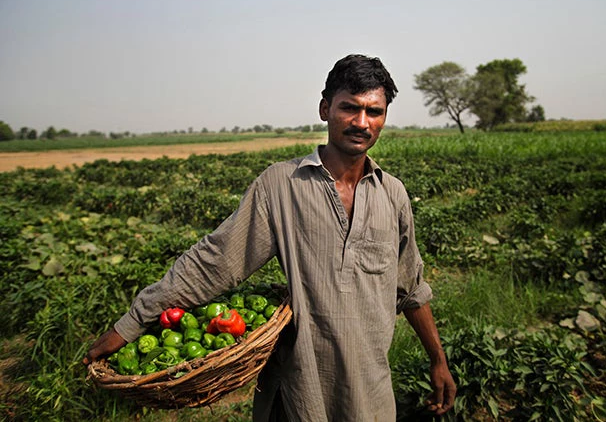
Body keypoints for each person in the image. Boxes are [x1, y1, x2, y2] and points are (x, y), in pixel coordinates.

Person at [84, 54, 456, 421]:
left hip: (369, 391)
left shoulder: (392, 194)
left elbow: (411, 287)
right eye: (350, 108)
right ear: (325, 108)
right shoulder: (281, 185)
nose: (362, 122)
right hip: (299, 393)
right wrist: (131, 323)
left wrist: (438, 360)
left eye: (374, 111)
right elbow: (214, 262)